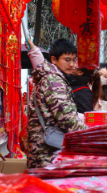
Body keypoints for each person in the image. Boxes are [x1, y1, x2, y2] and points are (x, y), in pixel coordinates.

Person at [27, 38, 87, 169]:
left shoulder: (51, 77)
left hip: (45, 153)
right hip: (48, 156)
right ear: (54, 59)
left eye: (74, 59)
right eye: (67, 60)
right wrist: (92, 136)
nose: (72, 64)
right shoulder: (53, 80)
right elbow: (67, 120)